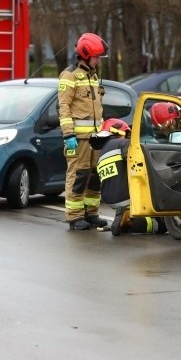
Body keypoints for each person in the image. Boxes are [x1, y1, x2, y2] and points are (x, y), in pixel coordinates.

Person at [58, 32, 110, 230]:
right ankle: (74, 216)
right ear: (86, 54)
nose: (98, 60)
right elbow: (63, 107)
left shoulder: (93, 76)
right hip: (78, 139)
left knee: (95, 176)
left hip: (96, 138)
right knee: (78, 177)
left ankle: (91, 214)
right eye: (96, 56)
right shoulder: (70, 76)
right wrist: (68, 134)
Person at [90, 119, 167, 237]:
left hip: (110, 201)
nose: (127, 137)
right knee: (160, 225)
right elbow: (138, 160)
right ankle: (128, 222)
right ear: (119, 132)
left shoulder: (101, 155)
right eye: (126, 134)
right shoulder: (122, 144)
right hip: (127, 199)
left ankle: (125, 219)